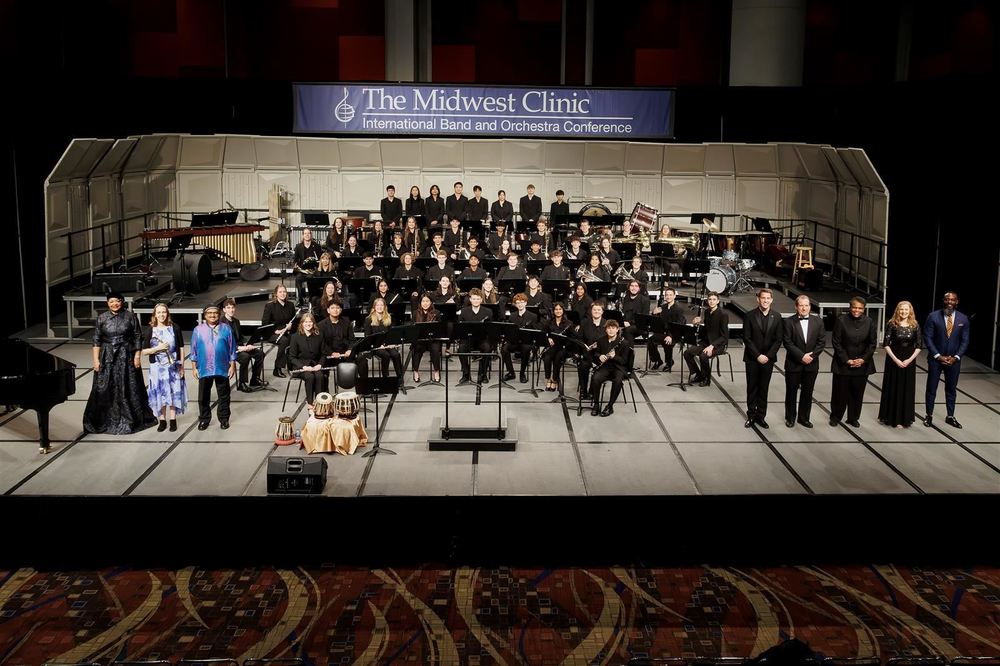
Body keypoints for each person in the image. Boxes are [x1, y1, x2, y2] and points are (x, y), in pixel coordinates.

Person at [83, 292, 157, 435]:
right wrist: (96, 360)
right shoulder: (102, 318)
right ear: (107, 303)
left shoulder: (130, 316)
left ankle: (130, 419)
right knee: (104, 386)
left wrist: (137, 356)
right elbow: (96, 339)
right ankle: (106, 420)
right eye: (111, 302)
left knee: (128, 385)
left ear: (122, 302)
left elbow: (137, 337)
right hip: (107, 355)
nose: (114, 304)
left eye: (117, 301)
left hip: (126, 354)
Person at [923, 291, 969, 428]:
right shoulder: (933, 316)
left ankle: (950, 416)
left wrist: (956, 357)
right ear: (943, 301)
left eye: (952, 300)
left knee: (951, 389)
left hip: (954, 361)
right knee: (931, 388)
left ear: (957, 302)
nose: (950, 302)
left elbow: (965, 341)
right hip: (936, 359)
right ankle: (929, 415)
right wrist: (937, 355)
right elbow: (928, 337)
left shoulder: (963, 319)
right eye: (947, 299)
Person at [829, 296, 877, 427]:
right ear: (850, 307)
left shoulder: (869, 322)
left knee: (857, 393)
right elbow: (836, 342)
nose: (857, 310)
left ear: (864, 309)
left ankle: (853, 417)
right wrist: (847, 360)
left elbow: (872, 343)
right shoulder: (841, 320)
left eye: (860, 308)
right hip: (843, 364)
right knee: (839, 393)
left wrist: (863, 359)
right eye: (854, 307)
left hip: (862, 365)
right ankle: (836, 417)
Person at [189, 305, 237, 430]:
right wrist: (194, 368)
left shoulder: (226, 329)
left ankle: (224, 419)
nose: (212, 315)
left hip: (222, 367)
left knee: (224, 395)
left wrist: (232, 365)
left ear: (219, 314)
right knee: (203, 396)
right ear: (205, 315)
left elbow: (232, 349)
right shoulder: (198, 330)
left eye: (215, 313)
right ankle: (204, 419)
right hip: (204, 367)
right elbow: (193, 351)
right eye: (209, 313)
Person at [741, 288, 783, 429]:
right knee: (752, 387)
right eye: (763, 298)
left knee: (764, 388)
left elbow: (778, 340)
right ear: (757, 299)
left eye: (768, 298)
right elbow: (746, 338)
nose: (765, 300)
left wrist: (768, 356)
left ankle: (761, 416)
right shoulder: (749, 316)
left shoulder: (777, 317)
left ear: (771, 300)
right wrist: (758, 355)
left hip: (768, 359)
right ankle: (751, 416)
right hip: (752, 358)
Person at [142, 302, 186, 432]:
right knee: (160, 393)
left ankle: (173, 419)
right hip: (157, 368)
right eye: (159, 312)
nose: (162, 315)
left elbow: (182, 348)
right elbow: (144, 351)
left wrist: (182, 366)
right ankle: (162, 419)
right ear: (155, 315)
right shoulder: (150, 330)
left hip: (173, 367)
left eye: (164, 312)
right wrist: (157, 348)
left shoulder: (175, 328)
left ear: (167, 314)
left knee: (173, 391)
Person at [783, 294, 825, 428]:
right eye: (801, 305)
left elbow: (821, 342)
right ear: (796, 307)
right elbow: (787, 342)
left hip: (811, 364)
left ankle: (804, 418)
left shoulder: (818, 321)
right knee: (791, 392)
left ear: (810, 307)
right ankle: (790, 418)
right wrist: (802, 356)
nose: (804, 308)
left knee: (808, 392)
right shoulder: (788, 322)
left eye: (806, 305)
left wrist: (811, 356)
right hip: (794, 363)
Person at [878, 301, 922, 428]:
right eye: (901, 309)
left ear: (910, 311)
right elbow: (886, 343)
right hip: (894, 359)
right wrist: (896, 360)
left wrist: (909, 360)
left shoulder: (915, 325)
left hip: (908, 360)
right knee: (893, 386)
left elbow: (919, 346)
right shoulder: (892, 324)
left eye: (906, 310)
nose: (904, 312)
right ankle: (890, 417)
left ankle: (904, 418)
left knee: (906, 388)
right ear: (898, 310)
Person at [684, 292, 729, 387]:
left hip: (719, 344)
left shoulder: (723, 314)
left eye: (714, 299)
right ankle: (699, 375)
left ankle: (706, 379)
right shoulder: (707, 312)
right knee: (687, 353)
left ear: (718, 301)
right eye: (710, 299)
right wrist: (697, 325)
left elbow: (724, 336)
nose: (711, 301)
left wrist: (712, 346)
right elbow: (707, 330)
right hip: (707, 342)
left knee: (703, 356)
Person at [222, 299, 266, 393]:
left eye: (233, 307)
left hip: (240, 347)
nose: (231, 310)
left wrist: (247, 345)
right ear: (224, 310)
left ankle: (255, 379)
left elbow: (240, 337)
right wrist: (239, 348)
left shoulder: (236, 321)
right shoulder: (221, 323)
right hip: (230, 350)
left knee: (260, 354)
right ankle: (242, 383)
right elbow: (224, 342)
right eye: (228, 308)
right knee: (245, 357)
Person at [589, 320, 631, 417]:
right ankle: (596, 404)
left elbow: (624, 361)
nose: (611, 330)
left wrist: (614, 357)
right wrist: (599, 356)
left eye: (613, 328)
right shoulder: (601, 340)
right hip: (605, 367)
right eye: (609, 328)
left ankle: (610, 406)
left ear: (617, 330)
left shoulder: (624, 343)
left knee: (617, 381)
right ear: (606, 330)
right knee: (595, 378)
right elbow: (596, 353)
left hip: (619, 368)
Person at [288, 312, 326, 408]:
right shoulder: (295, 337)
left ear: (313, 323)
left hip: (315, 365)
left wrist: (320, 365)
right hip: (300, 366)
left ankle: (319, 402)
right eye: (305, 322)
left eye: (310, 322)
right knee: (309, 377)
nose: (308, 324)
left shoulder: (319, 336)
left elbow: (323, 354)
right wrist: (303, 367)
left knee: (320, 376)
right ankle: (310, 403)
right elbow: (292, 357)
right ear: (301, 323)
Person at [364, 298, 404, 386]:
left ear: (385, 307)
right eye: (377, 305)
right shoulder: (369, 319)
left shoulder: (389, 317)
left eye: (381, 305)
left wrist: (392, 343)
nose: (379, 307)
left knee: (396, 354)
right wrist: (378, 345)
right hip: (375, 346)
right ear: (374, 307)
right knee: (385, 355)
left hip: (388, 344)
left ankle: (400, 379)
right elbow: (368, 337)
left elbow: (392, 333)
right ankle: (385, 378)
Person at [457, 288, 493, 384]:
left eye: (478, 299)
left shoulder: (488, 312)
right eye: (474, 298)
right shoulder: (464, 311)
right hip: (468, 339)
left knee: (487, 348)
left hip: (482, 339)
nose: (476, 301)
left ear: (481, 299)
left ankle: (483, 374)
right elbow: (460, 329)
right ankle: (466, 374)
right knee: (461, 349)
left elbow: (490, 329)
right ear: (470, 299)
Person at [262, 284, 298, 377]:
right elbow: (265, 324)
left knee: (295, 338)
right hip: (272, 333)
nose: (282, 294)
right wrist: (275, 331)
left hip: (286, 332)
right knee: (285, 341)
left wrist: (291, 326)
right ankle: (277, 368)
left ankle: (292, 366)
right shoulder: (270, 306)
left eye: (284, 292)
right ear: (276, 294)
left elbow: (294, 322)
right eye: (280, 292)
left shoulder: (290, 305)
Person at [501, 293, 538, 383]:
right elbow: (509, 331)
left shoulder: (533, 316)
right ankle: (511, 373)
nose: (520, 304)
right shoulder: (512, 316)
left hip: (526, 342)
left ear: (525, 303)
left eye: (522, 302)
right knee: (504, 349)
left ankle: (522, 373)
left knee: (525, 349)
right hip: (514, 342)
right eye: (518, 303)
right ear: (515, 304)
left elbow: (535, 332)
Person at [647, 286, 686, 371]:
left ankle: (669, 362)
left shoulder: (679, 309)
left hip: (674, 333)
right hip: (664, 332)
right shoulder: (663, 307)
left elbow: (679, 325)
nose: (668, 297)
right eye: (666, 295)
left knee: (667, 342)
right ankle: (657, 360)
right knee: (651, 340)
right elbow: (656, 322)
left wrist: (671, 336)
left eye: (670, 295)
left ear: (674, 296)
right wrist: (654, 313)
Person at [576, 300, 607, 400]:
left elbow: (610, 341)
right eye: (594, 310)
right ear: (591, 311)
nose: (596, 311)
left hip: (601, 355)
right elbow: (579, 338)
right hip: (587, 353)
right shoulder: (585, 323)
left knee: (597, 369)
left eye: (599, 310)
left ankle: (593, 391)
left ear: (602, 311)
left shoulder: (607, 324)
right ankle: (583, 390)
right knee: (583, 366)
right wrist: (585, 346)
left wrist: (598, 346)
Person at [542, 302, 573, 391]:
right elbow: (543, 333)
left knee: (558, 358)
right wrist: (548, 338)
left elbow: (572, 337)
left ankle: (554, 379)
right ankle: (548, 378)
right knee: (547, 358)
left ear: (563, 310)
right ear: (553, 311)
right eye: (556, 309)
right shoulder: (549, 322)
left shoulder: (569, 323)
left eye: (560, 309)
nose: (558, 311)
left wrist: (566, 342)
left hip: (563, 347)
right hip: (552, 346)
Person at [412, 294, 441, 383]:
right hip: (420, 339)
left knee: (435, 349)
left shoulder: (437, 313)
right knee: (417, 349)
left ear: (431, 302)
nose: (425, 303)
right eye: (423, 301)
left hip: (432, 339)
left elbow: (439, 328)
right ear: (420, 303)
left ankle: (436, 371)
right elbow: (412, 328)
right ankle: (415, 371)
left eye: (427, 301)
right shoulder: (415, 313)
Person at [293, 227, 323, 295]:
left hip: (313, 271)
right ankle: (300, 299)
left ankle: (312, 298)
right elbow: (295, 260)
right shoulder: (298, 247)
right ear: (303, 235)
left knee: (311, 278)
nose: (307, 235)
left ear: (311, 235)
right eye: (305, 233)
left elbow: (320, 260)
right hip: (302, 271)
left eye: (308, 233)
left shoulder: (316, 246)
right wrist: (298, 268)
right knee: (298, 279)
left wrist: (315, 269)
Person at [618, 279, 648, 343]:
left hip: (640, 325)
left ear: (639, 288)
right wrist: (622, 322)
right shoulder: (625, 298)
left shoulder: (645, 300)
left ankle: (630, 351)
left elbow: (644, 317)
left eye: (636, 286)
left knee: (628, 330)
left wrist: (630, 323)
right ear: (629, 288)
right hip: (626, 323)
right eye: (632, 286)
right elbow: (623, 313)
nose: (634, 288)